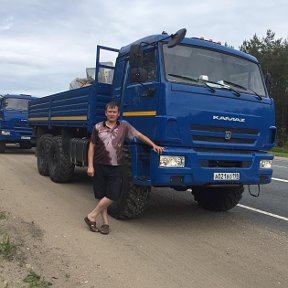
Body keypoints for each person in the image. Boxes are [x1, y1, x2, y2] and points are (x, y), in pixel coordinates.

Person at [84, 101, 164, 234]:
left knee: (113, 194)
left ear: (118, 113)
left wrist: (153, 145)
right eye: (109, 111)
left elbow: (139, 135)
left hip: (116, 166)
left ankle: (91, 216)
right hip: (99, 165)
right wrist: (90, 165)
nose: (112, 114)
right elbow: (92, 146)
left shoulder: (124, 126)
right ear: (106, 113)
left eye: (114, 112)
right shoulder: (97, 127)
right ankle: (105, 223)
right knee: (102, 195)